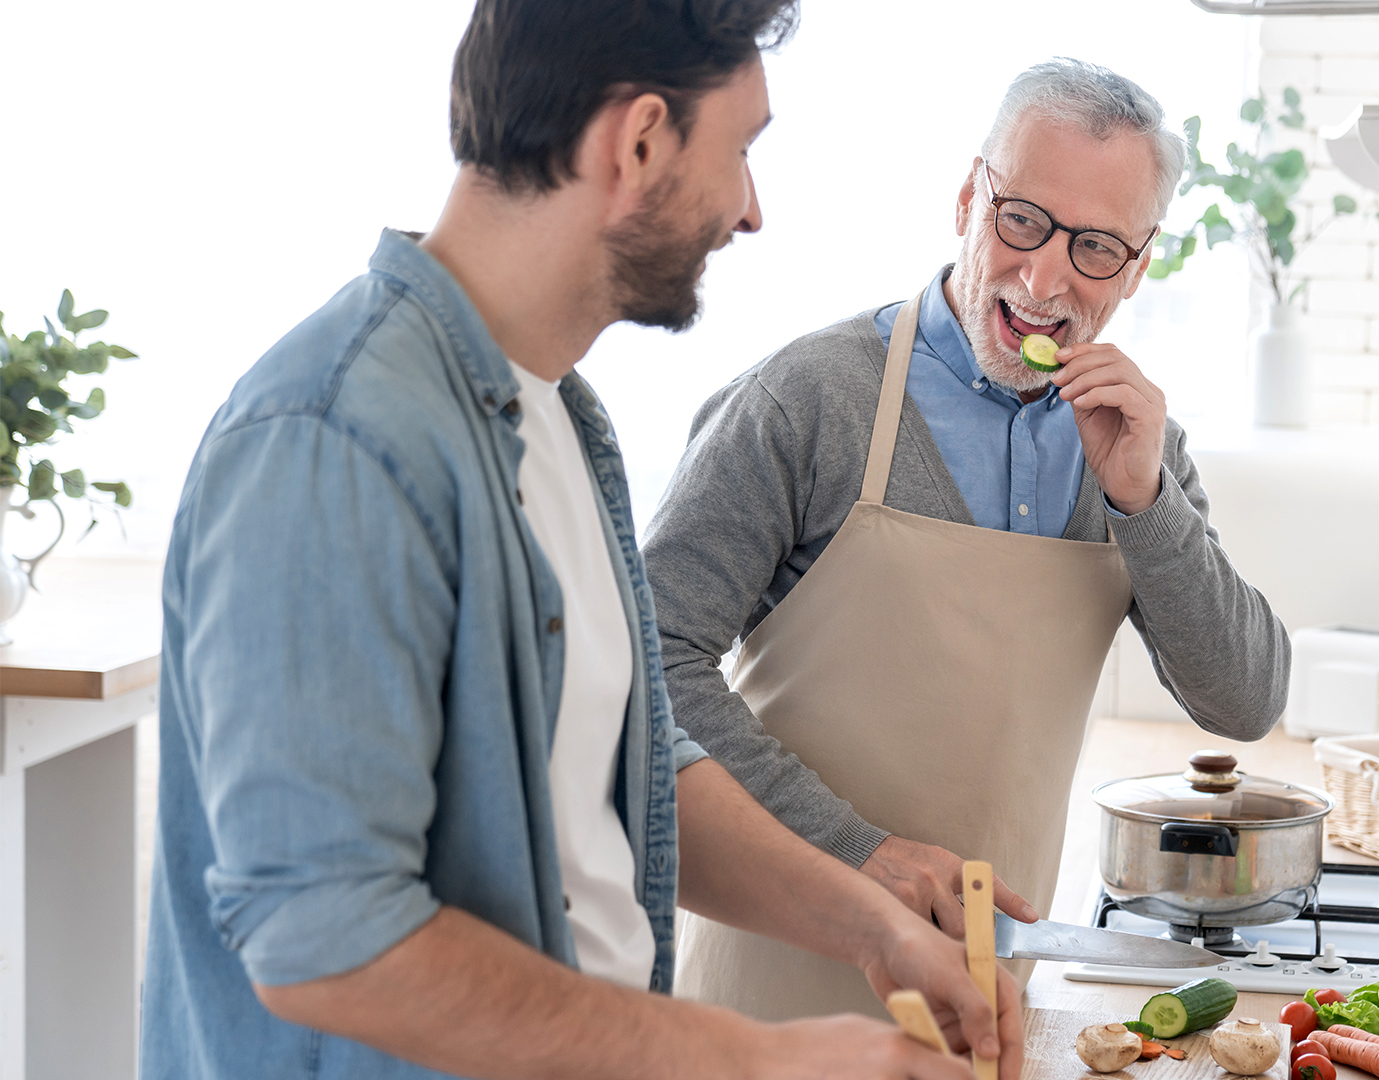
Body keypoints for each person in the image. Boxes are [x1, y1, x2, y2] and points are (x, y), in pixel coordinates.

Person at [140, 3, 1017, 1078]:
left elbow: (629, 769)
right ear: (637, 140)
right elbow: (325, 942)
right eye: (740, 151)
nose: (751, 212)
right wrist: (756, 1059)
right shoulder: (331, 440)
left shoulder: (561, 415)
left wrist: (871, 922)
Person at [643, 59, 1290, 1021]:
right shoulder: (805, 399)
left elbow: (1245, 700)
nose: (1045, 277)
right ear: (966, 197)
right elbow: (648, 662)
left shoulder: (1133, 444)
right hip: (772, 994)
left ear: (1141, 263)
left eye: (1097, 248)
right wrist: (858, 852)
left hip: (981, 997)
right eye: (1021, 219)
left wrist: (1146, 503)